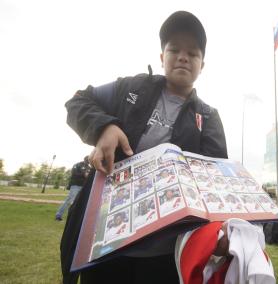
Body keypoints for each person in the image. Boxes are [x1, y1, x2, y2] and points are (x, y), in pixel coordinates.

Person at [60, 11, 227, 284]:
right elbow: (78, 101)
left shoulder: (208, 116)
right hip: (105, 246)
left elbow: (215, 180)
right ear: (162, 57)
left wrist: (219, 232)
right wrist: (104, 127)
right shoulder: (130, 87)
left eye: (193, 53)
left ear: (202, 65)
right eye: (174, 49)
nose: (183, 56)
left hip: (167, 252)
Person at [55, 156, 90, 221]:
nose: (88, 161)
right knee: (69, 200)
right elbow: (74, 173)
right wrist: (83, 174)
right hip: (75, 186)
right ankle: (58, 215)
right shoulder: (77, 165)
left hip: (84, 187)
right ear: (85, 159)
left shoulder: (89, 168)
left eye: (89, 160)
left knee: (81, 202)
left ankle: (75, 217)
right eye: (88, 160)